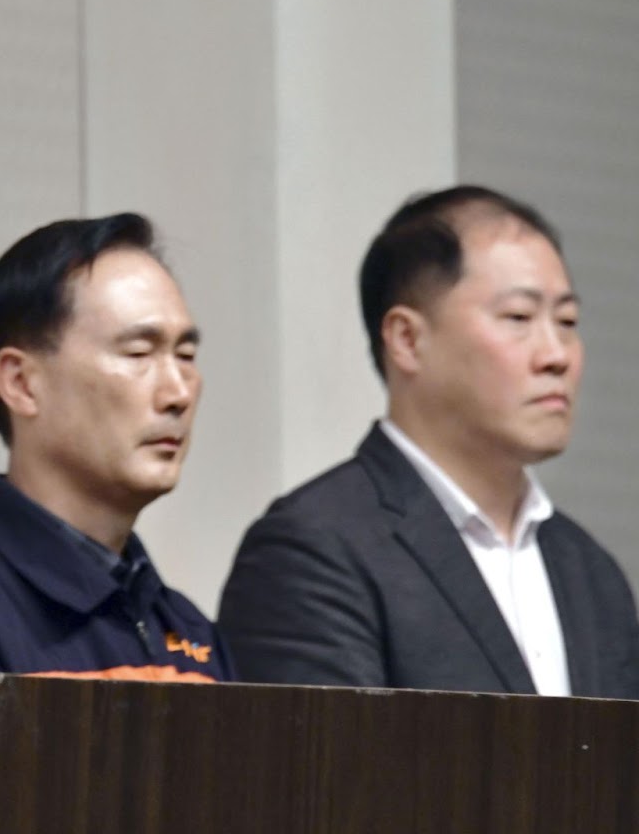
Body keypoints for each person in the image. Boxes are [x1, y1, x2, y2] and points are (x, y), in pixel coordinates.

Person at [219, 185, 639, 696]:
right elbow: (323, 772)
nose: (557, 355)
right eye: (519, 319)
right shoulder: (313, 549)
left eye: (568, 322)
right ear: (407, 340)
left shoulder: (590, 572)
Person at [0, 215, 231, 681]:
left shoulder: (188, 625)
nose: (179, 392)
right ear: (22, 383)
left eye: (185, 356)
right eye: (139, 353)